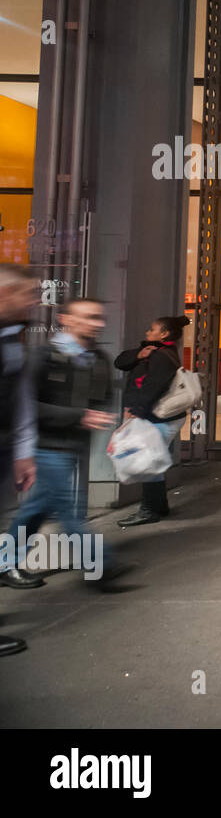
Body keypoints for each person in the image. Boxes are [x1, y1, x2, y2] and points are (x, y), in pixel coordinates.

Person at [0, 298, 121, 589]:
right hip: (44, 445)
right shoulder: (43, 357)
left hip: (75, 445)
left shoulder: (99, 358)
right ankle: (99, 565)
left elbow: (104, 396)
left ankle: (4, 563)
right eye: (89, 317)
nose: (97, 323)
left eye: (99, 318)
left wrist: (103, 418)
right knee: (67, 508)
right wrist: (79, 416)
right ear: (66, 319)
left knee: (37, 508)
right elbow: (26, 406)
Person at [114, 314, 190, 527]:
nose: (148, 332)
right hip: (157, 417)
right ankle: (158, 506)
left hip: (159, 417)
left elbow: (152, 387)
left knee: (148, 462)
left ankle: (149, 510)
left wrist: (136, 411)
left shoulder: (162, 356)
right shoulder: (154, 353)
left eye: (151, 329)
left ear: (164, 333)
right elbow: (120, 362)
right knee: (152, 460)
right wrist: (139, 354)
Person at [0, 264, 38, 656]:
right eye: (26, 294)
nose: (33, 302)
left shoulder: (13, 339)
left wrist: (24, 450)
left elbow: (20, 398)